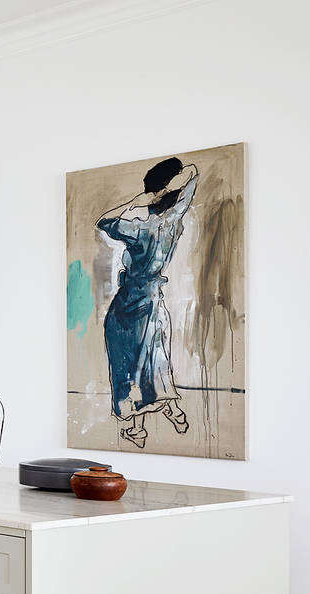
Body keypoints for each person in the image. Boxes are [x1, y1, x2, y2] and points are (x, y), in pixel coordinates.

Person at [97, 157, 198, 448]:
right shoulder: (174, 218)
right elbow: (192, 175)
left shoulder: (140, 228)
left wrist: (138, 200)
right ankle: (172, 412)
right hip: (152, 302)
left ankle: (137, 428)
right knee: (151, 362)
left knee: (128, 365)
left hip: (129, 304)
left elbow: (104, 221)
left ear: (153, 194)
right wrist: (170, 188)